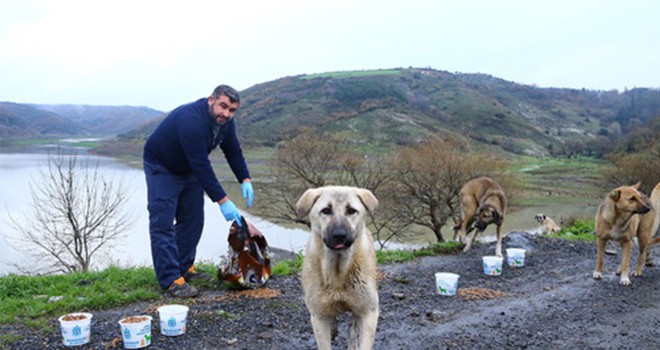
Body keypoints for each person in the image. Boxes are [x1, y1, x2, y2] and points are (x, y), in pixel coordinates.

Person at [143, 84, 254, 298]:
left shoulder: (225, 123)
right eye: (223, 106)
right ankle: (170, 280)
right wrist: (223, 201)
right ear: (211, 100)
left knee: (193, 219)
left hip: (189, 168)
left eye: (232, 110)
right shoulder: (191, 120)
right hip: (162, 167)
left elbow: (233, 151)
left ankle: (185, 267)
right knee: (162, 223)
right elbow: (201, 165)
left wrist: (245, 179)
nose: (226, 113)